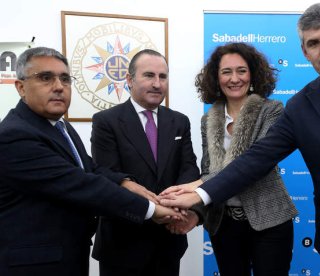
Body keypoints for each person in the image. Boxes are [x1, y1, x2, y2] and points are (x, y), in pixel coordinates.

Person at [160, 3, 320, 275]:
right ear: (305, 52)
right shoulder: (300, 106)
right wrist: (201, 194)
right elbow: (257, 159)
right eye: (313, 43)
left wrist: (198, 189)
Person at [0, 47, 182, 276]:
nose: (58, 86)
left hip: (67, 254)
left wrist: (124, 182)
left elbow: (89, 167)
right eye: (45, 78)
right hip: (35, 263)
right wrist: (151, 209)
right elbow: (81, 184)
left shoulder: (59, 127)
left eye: (65, 79)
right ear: (21, 87)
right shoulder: (14, 135)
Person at [90, 49, 200, 276]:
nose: (157, 84)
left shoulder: (179, 121)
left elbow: (189, 166)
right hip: (123, 243)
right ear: (130, 80)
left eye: (163, 77)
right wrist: (151, 206)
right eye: (149, 75)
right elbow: (105, 173)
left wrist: (176, 201)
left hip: (169, 239)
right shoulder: (106, 121)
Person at [195, 42, 298, 275]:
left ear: (252, 74)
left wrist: (194, 188)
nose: (234, 78)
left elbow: (253, 164)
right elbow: (207, 168)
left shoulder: (272, 110)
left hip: (269, 220)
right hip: (223, 223)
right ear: (216, 77)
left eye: (241, 70)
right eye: (226, 72)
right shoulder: (208, 120)